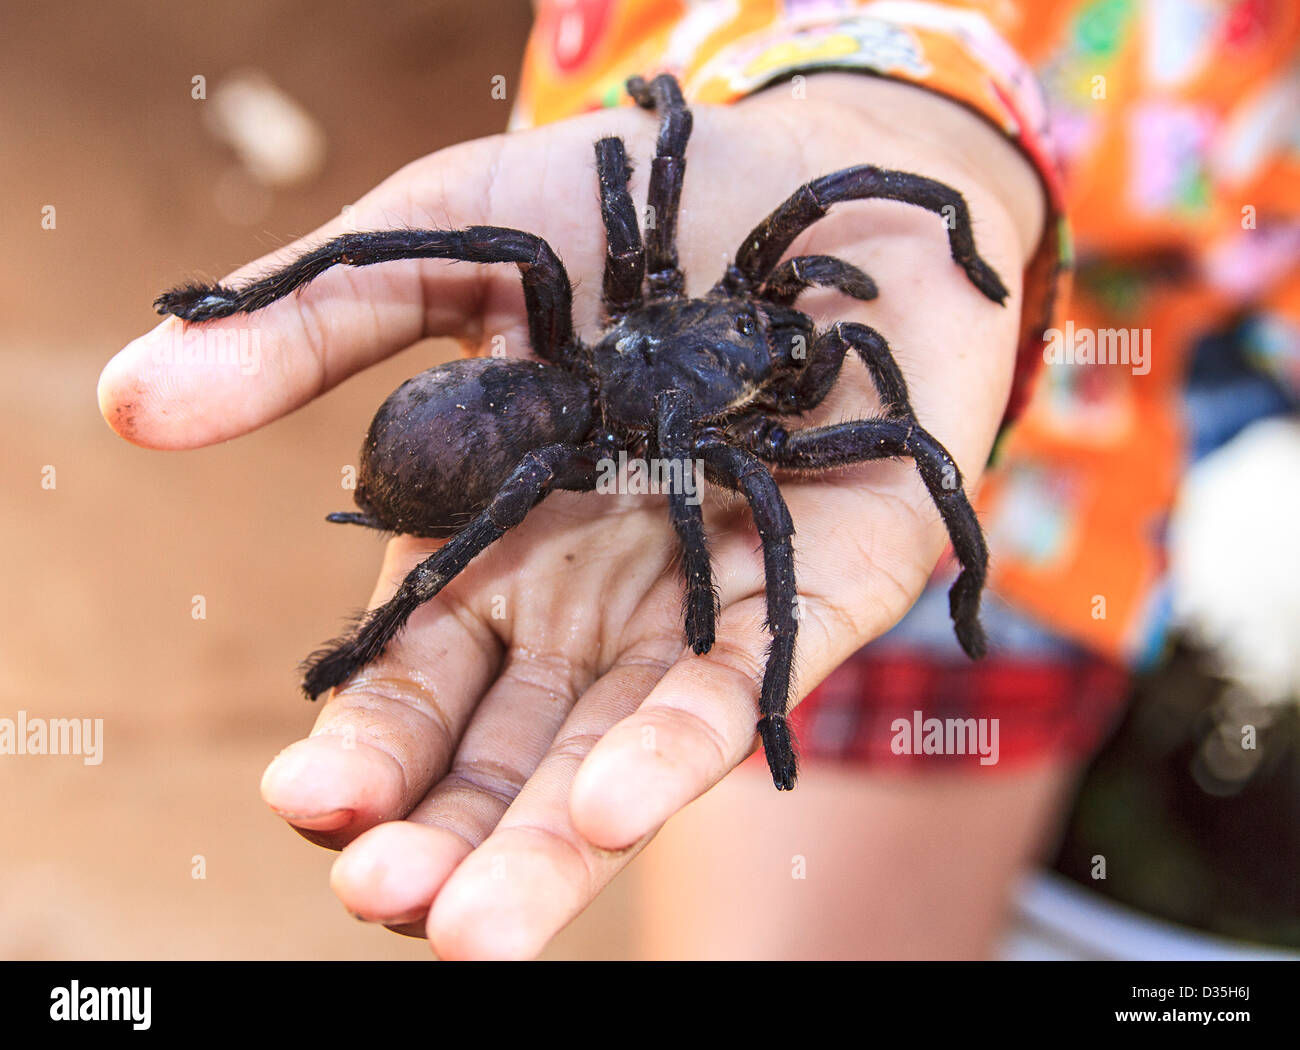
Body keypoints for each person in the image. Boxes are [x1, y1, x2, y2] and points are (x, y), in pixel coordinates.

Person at [98, 1, 1299, 958]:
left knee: (895, 450)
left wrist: (937, 193)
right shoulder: (706, 437)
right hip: (537, 425)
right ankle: (298, 457)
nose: (790, 329)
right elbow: (731, 477)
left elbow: (705, 203)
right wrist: (903, 119)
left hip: (1182, 296)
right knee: (875, 453)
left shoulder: (697, 317)